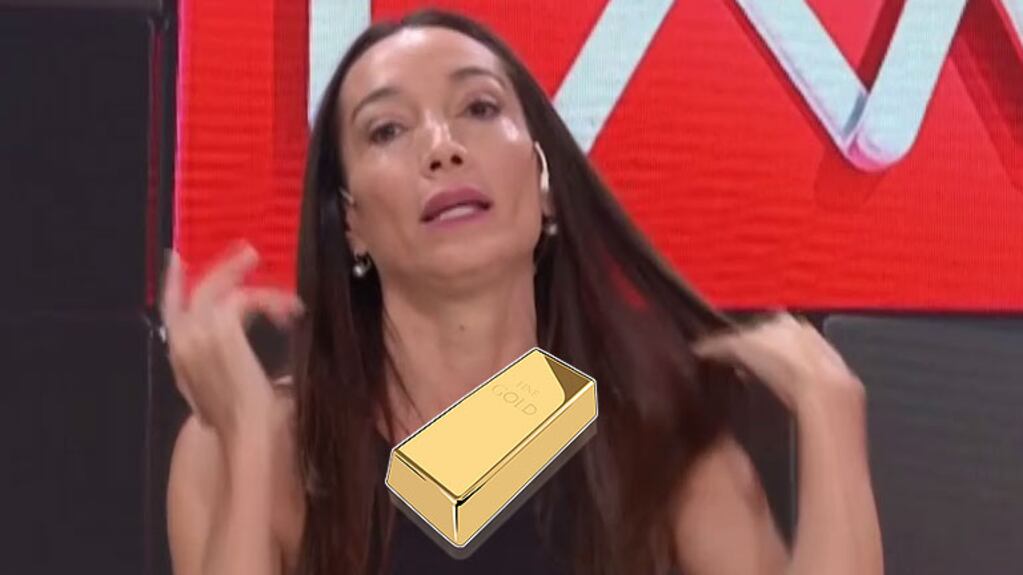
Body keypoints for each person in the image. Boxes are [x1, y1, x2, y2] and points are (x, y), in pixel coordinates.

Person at [162, 9, 883, 575]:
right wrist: (248, 442)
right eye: (387, 129)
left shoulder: (658, 451)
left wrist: (831, 416)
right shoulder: (245, 449)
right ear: (351, 224)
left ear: (543, 183)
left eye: (479, 108)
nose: (442, 146)